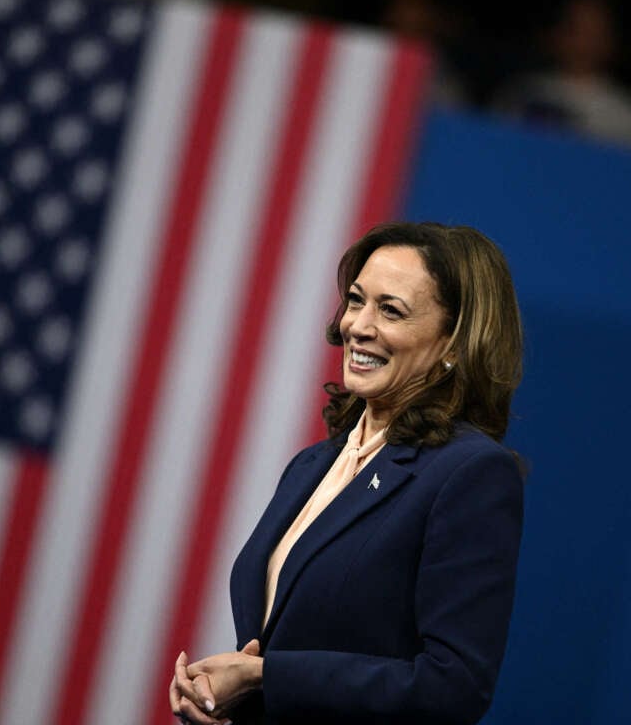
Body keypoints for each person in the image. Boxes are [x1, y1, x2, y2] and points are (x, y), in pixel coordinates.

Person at [169, 222, 526, 725]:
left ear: (453, 343)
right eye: (356, 301)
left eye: (391, 310)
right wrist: (222, 694)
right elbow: (282, 642)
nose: (357, 325)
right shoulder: (312, 467)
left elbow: (455, 686)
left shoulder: (469, 474)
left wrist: (264, 676)